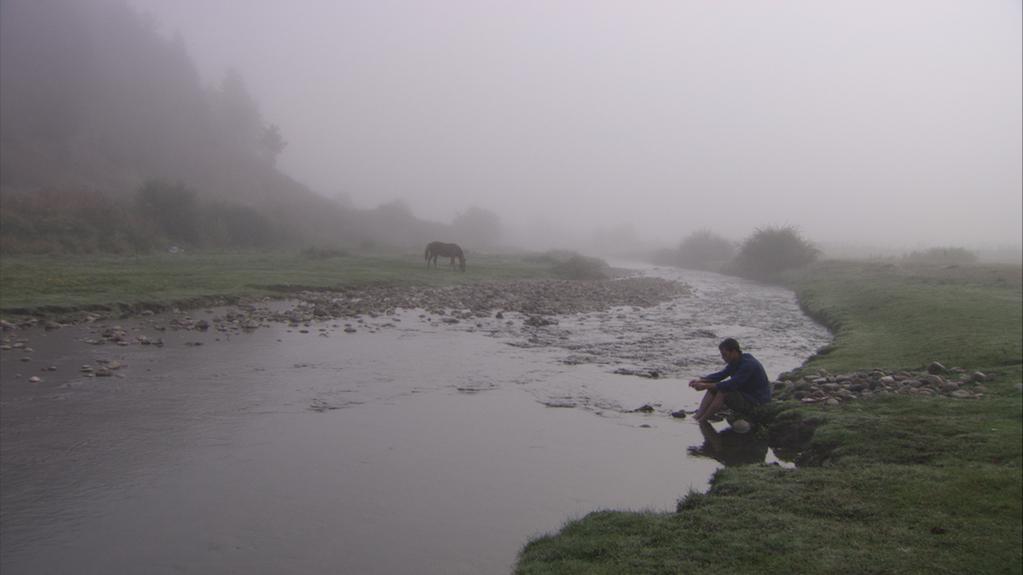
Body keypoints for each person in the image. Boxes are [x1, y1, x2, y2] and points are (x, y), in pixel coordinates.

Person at [688, 338, 770, 424]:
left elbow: (731, 384)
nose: (723, 358)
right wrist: (701, 380)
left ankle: (703, 420)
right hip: (745, 395)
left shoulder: (748, 364)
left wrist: (705, 385)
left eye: (725, 355)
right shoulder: (736, 361)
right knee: (713, 388)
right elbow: (721, 375)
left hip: (756, 401)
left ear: (734, 351)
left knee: (723, 392)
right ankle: (698, 415)